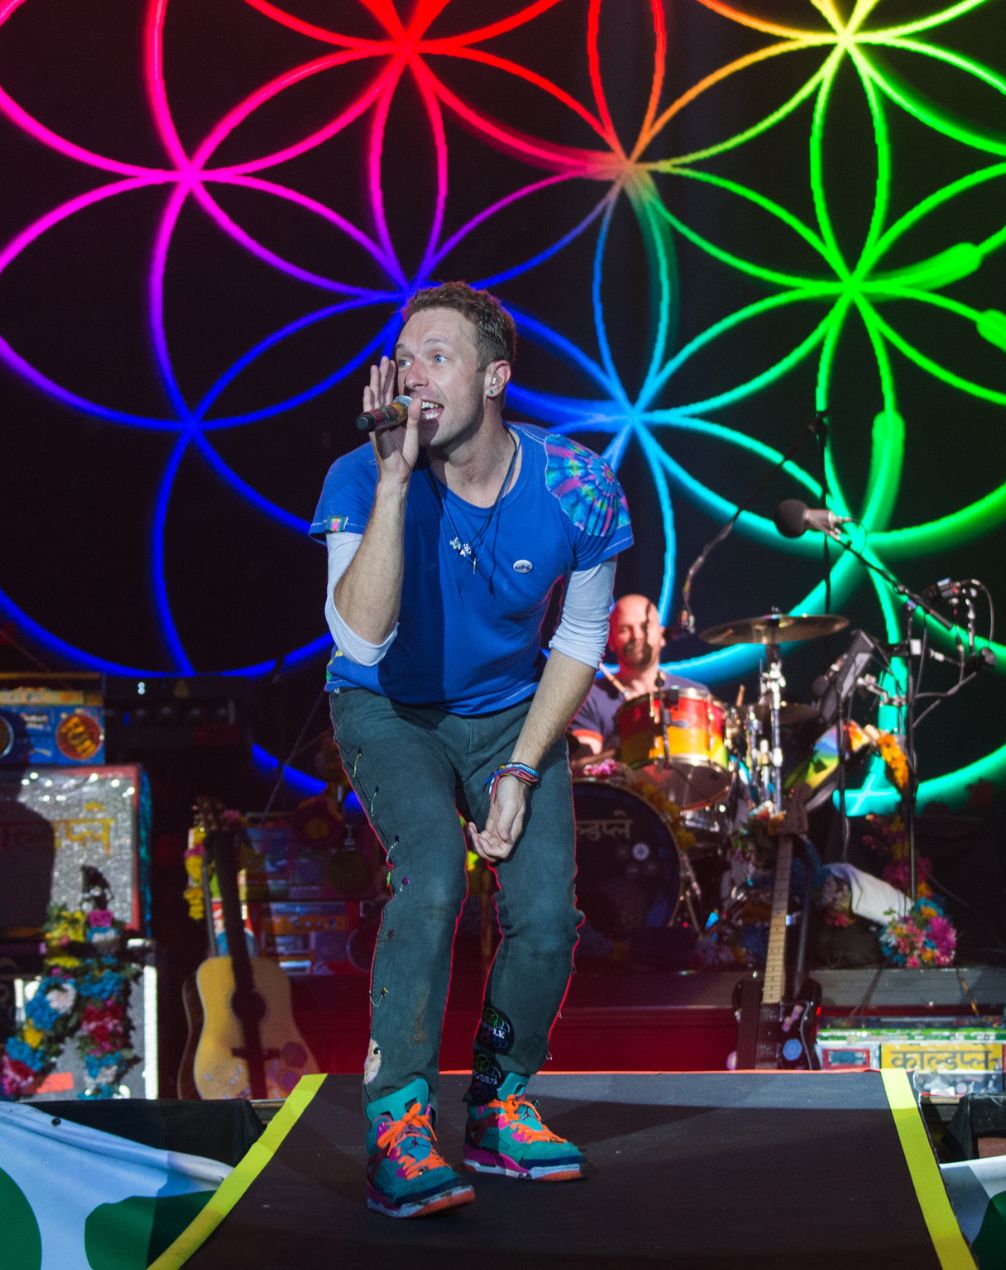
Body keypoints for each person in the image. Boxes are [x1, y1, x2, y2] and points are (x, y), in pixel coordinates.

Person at [312, 281, 631, 1217]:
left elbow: (578, 639)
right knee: (438, 879)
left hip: (506, 714)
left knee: (544, 910)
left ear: (494, 378)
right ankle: (399, 1120)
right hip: (387, 710)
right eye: (403, 358)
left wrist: (524, 769)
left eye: (436, 358)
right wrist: (393, 478)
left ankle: (498, 1104)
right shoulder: (357, 476)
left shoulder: (578, 486)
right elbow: (359, 644)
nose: (412, 375)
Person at [569, 592, 708, 762]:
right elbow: (582, 768)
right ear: (611, 642)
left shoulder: (695, 695)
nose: (637, 636)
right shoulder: (589, 697)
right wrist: (634, 743)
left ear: (662, 635)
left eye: (645, 626)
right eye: (624, 629)